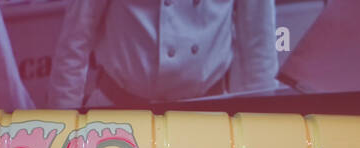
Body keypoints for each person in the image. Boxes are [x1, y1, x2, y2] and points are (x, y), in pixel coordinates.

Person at [47, 0, 278, 108]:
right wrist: (64, 124)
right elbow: (75, 40)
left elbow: (259, 44)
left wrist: (261, 124)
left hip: (207, 116)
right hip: (118, 112)